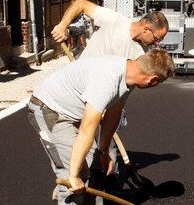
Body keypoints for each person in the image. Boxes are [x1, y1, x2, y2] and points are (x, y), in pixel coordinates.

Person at [27, 48, 175, 204]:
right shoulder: (108, 79)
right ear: (152, 79)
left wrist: (103, 151)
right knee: (75, 175)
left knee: (96, 167)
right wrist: (73, 175)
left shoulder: (128, 78)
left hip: (74, 113)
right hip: (51, 111)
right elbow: (87, 130)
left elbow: (113, 113)